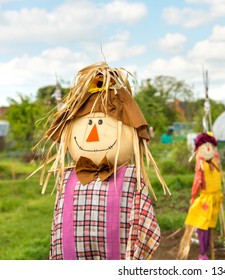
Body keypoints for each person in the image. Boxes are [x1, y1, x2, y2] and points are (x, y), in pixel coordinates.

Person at [33, 62, 169, 260]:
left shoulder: (131, 177)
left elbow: (145, 226)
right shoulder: (67, 177)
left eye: (99, 123)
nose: (93, 133)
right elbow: (58, 224)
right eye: (89, 123)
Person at [177, 132, 223, 260]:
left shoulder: (215, 162)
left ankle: (207, 249)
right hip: (207, 199)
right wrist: (193, 196)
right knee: (203, 225)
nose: (209, 149)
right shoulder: (202, 165)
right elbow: (197, 182)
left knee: (210, 224)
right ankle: (203, 252)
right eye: (205, 146)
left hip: (216, 198)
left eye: (211, 146)